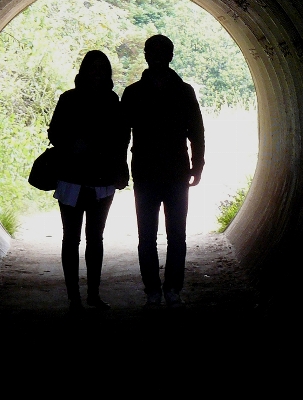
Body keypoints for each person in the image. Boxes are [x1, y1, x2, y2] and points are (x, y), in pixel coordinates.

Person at [121, 34, 205, 308]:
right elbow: (121, 135)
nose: (156, 56)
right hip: (147, 174)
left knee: (176, 235)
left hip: (175, 173)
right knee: (147, 237)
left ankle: (171, 289)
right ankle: (154, 290)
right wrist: (120, 167)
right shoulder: (133, 93)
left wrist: (198, 163)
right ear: (146, 55)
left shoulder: (183, 92)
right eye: (152, 52)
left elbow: (196, 132)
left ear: (170, 55)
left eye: (161, 52)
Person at [47, 50, 130, 313]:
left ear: (107, 73)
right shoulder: (68, 99)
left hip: (101, 180)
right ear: (84, 71)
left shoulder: (112, 102)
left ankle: (92, 294)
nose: (97, 73)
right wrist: (75, 145)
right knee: (71, 238)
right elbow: (54, 132)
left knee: (95, 238)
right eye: (92, 68)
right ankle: (74, 297)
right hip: (72, 179)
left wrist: (117, 167)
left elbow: (122, 138)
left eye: (101, 68)